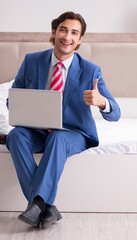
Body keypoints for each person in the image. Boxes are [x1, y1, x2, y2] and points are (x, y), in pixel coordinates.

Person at [6, 11, 121, 228]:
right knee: (15, 135)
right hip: (37, 130)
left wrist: (102, 101)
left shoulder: (91, 70)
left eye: (74, 33)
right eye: (63, 29)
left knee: (58, 138)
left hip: (74, 134)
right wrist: (22, 106)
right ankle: (44, 207)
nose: (67, 36)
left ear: (80, 40)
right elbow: (13, 101)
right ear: (54, 32)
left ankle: (37, 203)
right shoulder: (32, 61)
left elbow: (116, 113)